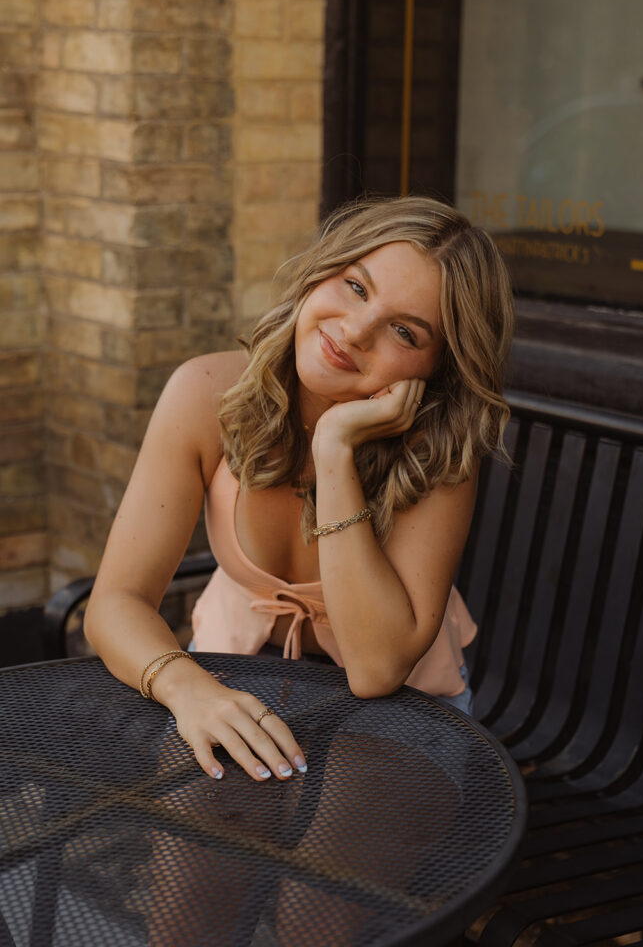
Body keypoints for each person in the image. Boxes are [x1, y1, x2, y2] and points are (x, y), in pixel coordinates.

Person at [84, 195, 514, 786]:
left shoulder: (439, 446)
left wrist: (335, 452)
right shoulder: (205, 395)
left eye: (404, 331)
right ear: (320, 273)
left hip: (401, 718)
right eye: (356, 287)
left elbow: (376, 670)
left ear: (437, 368)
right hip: (232, 683)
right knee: (187, 873)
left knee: (317, 880)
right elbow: (116, 602)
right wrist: (192, 691)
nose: (356, 331)